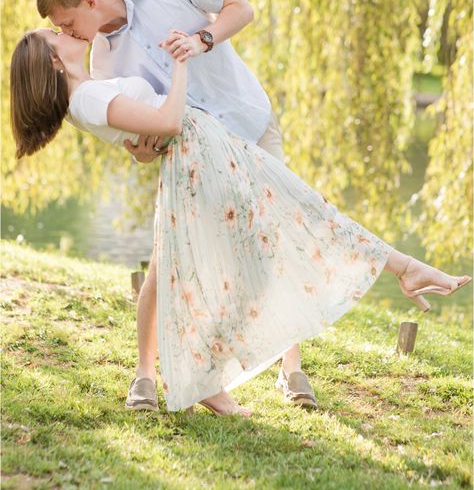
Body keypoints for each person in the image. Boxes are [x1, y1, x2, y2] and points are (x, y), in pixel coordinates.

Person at [9, 28, 472, 416]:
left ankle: (401, 269)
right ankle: (401, 269)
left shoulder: (90, 89)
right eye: (55, 32)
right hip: (198, 154)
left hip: (203, 151)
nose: (64, 31)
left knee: (298, 216)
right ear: (52, 61)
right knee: (302, 215)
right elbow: (169, 121)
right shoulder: (86, 98)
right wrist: (181, 63)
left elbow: (148, 128)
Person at [35, 0, 321, 412]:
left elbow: (241, 9)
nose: (68, 34)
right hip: (195, 155)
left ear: (90, 1)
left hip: (249, 119)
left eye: (68, 23)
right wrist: (143, 149)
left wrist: (200, 39)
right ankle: (145, 376)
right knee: (165, 258)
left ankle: (290, 367)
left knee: (272, 242)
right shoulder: (102, 62)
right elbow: (141, 134)